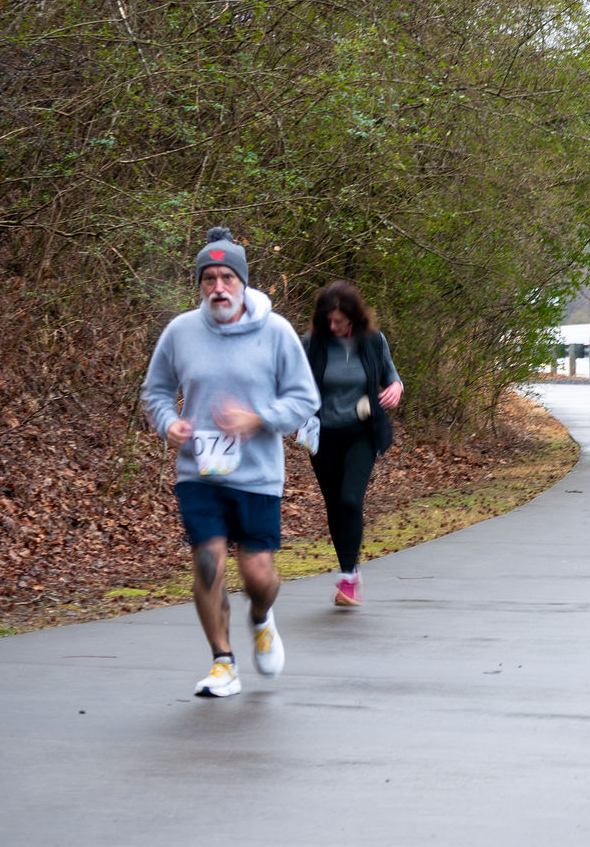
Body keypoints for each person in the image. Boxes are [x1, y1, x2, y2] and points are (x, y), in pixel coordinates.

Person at [141, 227, 320, 697]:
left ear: (242, 282)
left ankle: (261, 617)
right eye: (209, 279)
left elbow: (305, 398)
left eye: (227, 278)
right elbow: (156, 391)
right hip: (199, 471)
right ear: (200, 284)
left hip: (257, 474)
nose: (218, 287)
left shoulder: (276, 332)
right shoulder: (181, 332)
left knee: (257, 573)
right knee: (207, 561)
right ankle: (223, 662)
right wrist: (168, 424)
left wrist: (258, 419)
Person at [302, 280, 403, 608]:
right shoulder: (313, 343)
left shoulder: (373, 340)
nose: (333, 327)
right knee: (334, 505)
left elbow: (391, 376)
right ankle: (348, 571)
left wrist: (396, 388)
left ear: (354, 317)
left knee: (349, 500)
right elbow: (293, 382)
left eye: (340, 321)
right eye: (328, 321)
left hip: (361, 432)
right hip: (324, 436)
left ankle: (349, 577)